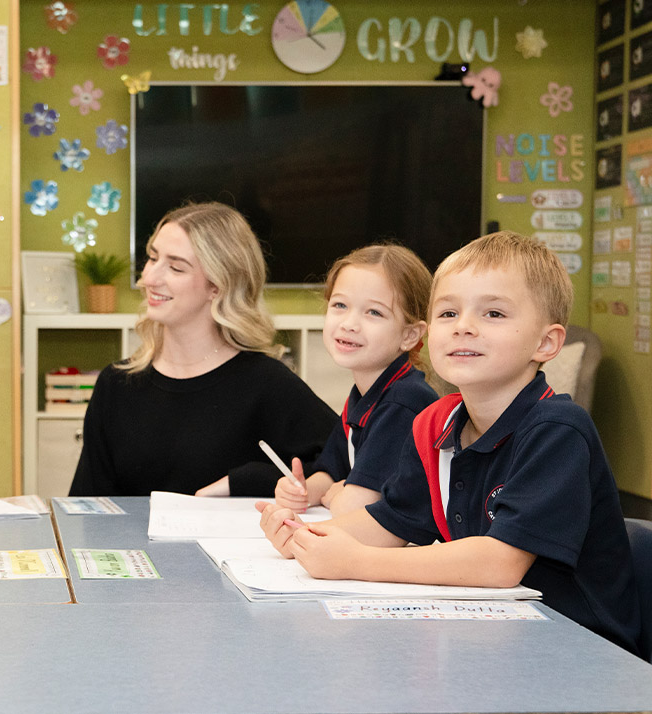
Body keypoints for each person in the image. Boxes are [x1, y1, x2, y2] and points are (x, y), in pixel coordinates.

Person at [258, 232, 643, 658]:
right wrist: (306, 536)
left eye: (493, 312)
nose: (463, 326)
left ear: (547, 343)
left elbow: (498, 564)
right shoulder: (433, 424)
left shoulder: (558, 429)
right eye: (448, 312)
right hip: (492, 638)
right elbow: (390, 523)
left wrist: (352, 561)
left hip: (578, 652)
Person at [69, 202, 337, 497]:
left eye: (175, 267)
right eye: (152, 258)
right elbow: (86, 505)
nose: (149, 278)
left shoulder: (267, 383)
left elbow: (345, 462)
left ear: (218, 286)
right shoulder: (116, 383)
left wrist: (244, 482)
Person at [272, 244, 439, 515]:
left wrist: (340, 492)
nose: (349, 323)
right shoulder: (363, 395)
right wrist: (302, 490)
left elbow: (355, 506)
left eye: (373, 312)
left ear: (410, 336)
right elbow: (330, 471)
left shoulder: (404, 401)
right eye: (340, 305)